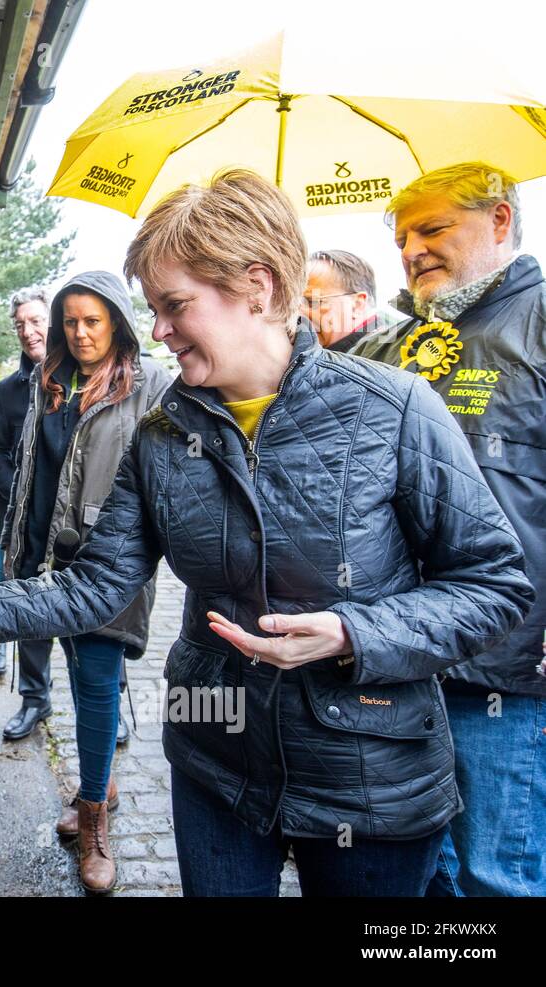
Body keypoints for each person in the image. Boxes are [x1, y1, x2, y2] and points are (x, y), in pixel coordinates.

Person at [0, 170, 533, 897]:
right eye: (153, 309)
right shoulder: (164, 435)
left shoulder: (396, 409)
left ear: (256, 286)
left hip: (370, 778)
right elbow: (94, 585)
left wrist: (354, 633)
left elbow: (494, 585)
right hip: (217, 765)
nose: (157, 329)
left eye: (174, 306)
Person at [351, 162, 546, 896]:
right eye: (402, 236)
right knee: (417, 875)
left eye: (433, 228)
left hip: (506, 670)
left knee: (497, 873)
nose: (412, 250)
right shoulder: (391, 344)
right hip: (396, 656)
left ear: (499, 221)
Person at [0, 271, 170, 867]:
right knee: (74, 674)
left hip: (107, 564)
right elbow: (29, 468)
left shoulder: (148, 385)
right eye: (70, 321)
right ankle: (101, 782)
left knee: (97, 685)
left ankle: (94, 819)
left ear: (117, 322)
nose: (79, 332)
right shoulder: (50, 380)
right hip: (46, 556)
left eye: (92, 321)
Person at [0, 289, 52, 720]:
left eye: (37, 320)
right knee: (26, 601)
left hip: (72, 522)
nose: (29, 331)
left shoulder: (84, 379)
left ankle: (106, 709)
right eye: (20, 324)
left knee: (92, 619)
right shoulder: (9, 390)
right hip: (19, 519)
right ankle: (34, 699)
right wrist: (18, 492)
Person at [301, 249, 387, 351]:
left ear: (357, 305)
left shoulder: (374, 359)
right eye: (294, 304)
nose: (299, 313)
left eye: (312, 302)